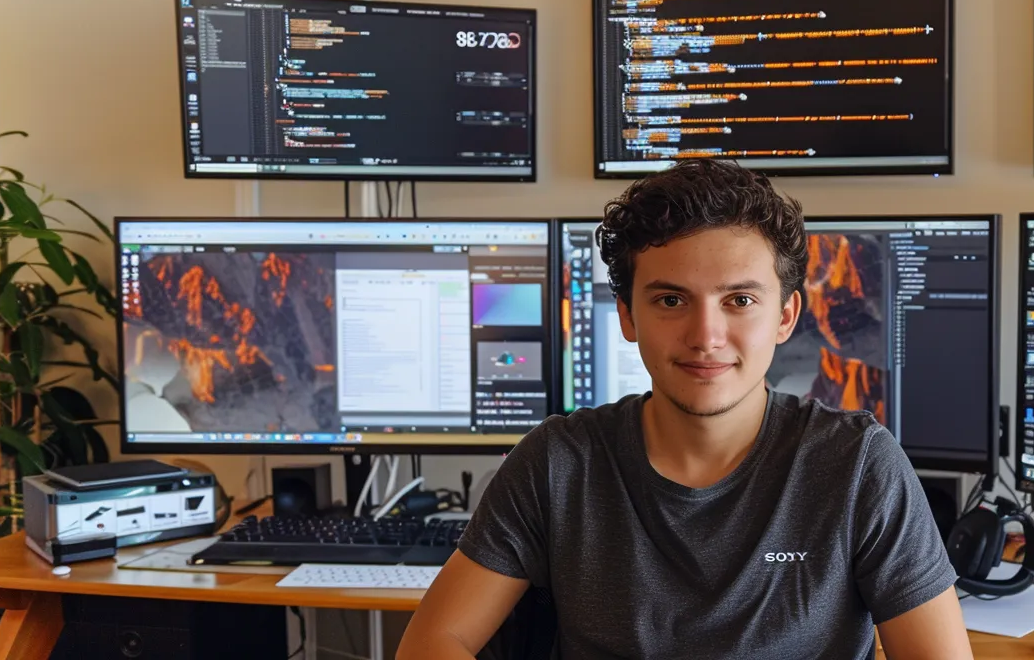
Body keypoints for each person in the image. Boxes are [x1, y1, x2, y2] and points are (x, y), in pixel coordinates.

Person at [398, 160, 972, 659]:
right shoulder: (558, 462)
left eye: (739, 300)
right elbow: (431, 643)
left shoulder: (856, 466)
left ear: (785, 316)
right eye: (671, 300)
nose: (706, 336)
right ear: (627, 315)